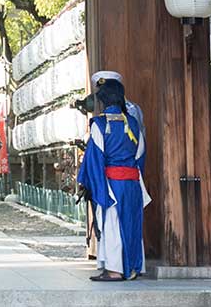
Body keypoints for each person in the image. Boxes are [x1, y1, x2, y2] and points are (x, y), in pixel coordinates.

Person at [77, 72, 149, 281]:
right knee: (132, 224)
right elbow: (140, 155)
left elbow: (94, 158)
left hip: (111, 183)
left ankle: (115, 270)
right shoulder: (133, 124)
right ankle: (133, 267)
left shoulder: (100, 124)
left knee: (112, 226)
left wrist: (89, 183)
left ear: (103, 100)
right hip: (132, 183)